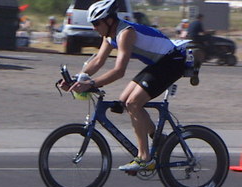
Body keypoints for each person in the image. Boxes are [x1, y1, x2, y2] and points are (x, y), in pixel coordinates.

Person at [61, 0, 186, 172]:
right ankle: (159, 139)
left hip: (172, 62)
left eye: (96, 23)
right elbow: (97, 61)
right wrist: (77, 79)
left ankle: (144, 159)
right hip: (158, 63)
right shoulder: (108, 36)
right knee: (123, 101)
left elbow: (119, 71)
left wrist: (90, 84)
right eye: (92, 24)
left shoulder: (125, 33)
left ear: (109, 21)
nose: (94, 27)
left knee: (133, 103)